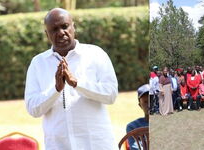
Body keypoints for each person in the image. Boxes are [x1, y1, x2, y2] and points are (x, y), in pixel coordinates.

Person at [24, 8, 118, 149]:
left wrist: (77, 83)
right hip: (58, 145)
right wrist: (56, 89)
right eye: (54, 29)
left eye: (64, 26)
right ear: (47, 34)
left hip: (96, 144)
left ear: (73, 26)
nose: (61, 32)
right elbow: (33, 109)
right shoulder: (38, 63)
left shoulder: (95, 54)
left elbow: (110, 95)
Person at [126, 84, 149, 150]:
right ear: (140, 105)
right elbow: (135, 147)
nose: (149, 104)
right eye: (145, 102)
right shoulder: (133, 127)